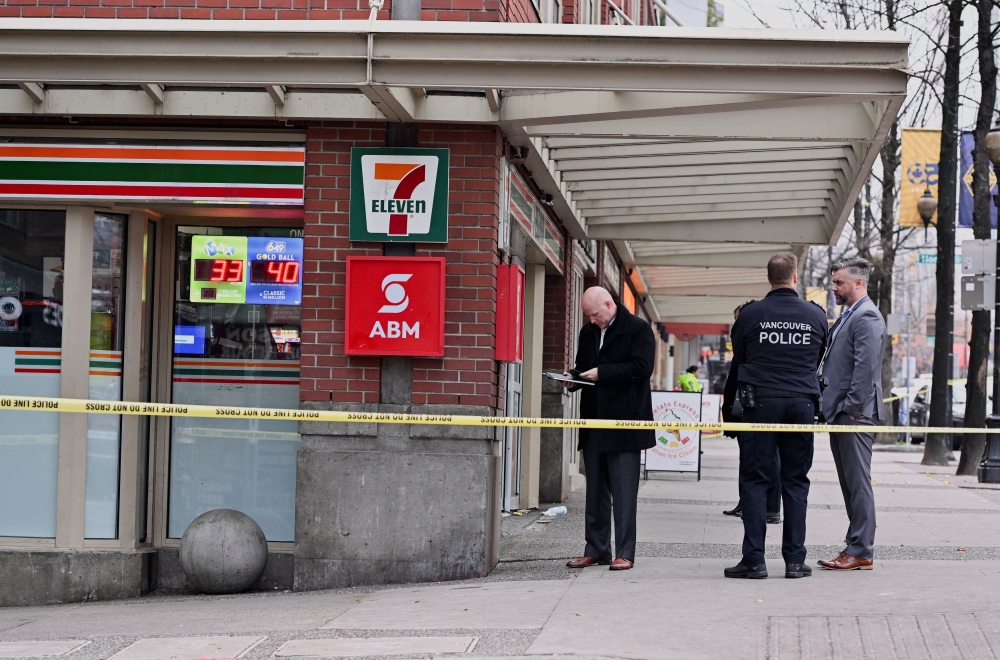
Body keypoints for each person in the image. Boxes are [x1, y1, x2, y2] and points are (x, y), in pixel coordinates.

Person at [723, 252, 828, 580]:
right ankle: (795, 560)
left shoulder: (751, 314)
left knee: (755, 480)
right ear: (795, 277)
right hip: (802, 404)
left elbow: (739, 357)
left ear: (769, 278)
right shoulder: (816, 316)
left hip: (760, 403)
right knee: (796, 480)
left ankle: (754, 559)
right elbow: (819, 355)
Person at [563, 286, 655, 571]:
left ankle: (625, 552)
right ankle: (597, 549)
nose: (592, 320)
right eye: (588, 316)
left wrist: (603, 373)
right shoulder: (588, 332)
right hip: (594, 421)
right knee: (595, 493)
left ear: (608, 304)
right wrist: (573, 379)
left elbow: (642, 368)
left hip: (624, 422)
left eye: (595, 314)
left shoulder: (638, 329)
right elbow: (584, 367)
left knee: (624, 494)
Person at [817, 257, 886, 571]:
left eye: (839, 283)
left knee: (857, 483)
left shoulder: (867, 316)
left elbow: (865, 370)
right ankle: (856, 546)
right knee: (850, 482)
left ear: (859, 283)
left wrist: (852, 410)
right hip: (843, 413)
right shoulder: (851, 314)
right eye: (834, 282)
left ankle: (860, 549)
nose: (834, 288)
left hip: (854, 415)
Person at [721, 302, 781, 525]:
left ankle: (771, 508)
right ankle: (746, 502)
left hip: (756, 407)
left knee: (768, 458)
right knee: (747, 458)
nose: (737, 324)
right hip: (741, 409)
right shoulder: (743, 344)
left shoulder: (755, 345)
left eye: (740, 318)